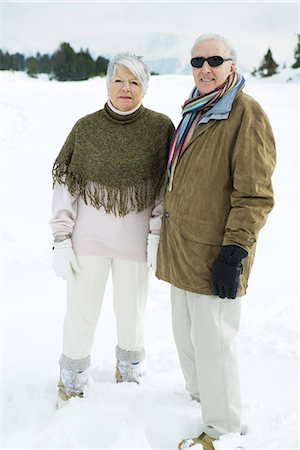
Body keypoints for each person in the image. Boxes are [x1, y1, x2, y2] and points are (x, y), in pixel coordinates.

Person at [155, 34, 276, 450]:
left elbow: (255, 194)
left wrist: (235, 251)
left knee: (214, 344)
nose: (205, 67)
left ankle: (221, 428)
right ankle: (204, 397)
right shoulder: (194, 110)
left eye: (214, 60)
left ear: (231, 64)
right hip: (183, 248)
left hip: (215, 253)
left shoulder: (245, 114)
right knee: (186, 337)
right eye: (197, 60)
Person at [50, 52, 174, 406]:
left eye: (134, 82)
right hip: (87, 242)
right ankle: (71, 382)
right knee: (80, 313)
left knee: (132, 314)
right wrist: (61, 238)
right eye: (119, 80)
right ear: (107, 83)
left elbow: (166, 187)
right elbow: (65, 185)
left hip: (136, 244)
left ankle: (130, 374)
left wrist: (156, 235)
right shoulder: (86, 128)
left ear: (144, 88)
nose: (125, 88)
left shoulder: (160, 128)